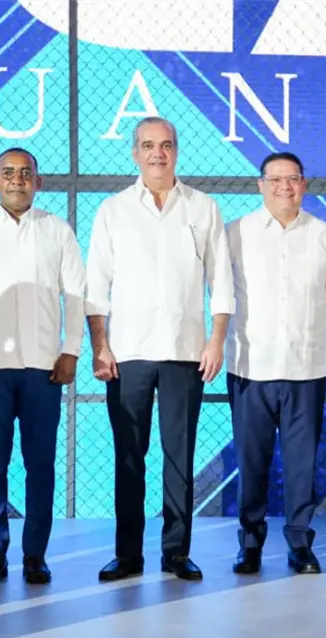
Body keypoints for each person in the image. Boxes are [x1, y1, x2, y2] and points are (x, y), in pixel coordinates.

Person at [85, 116, 234, 582]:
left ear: (176, 151)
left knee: (179, 457)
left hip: (186, 352)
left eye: (166, 145)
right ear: (135, 153)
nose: (157, 153)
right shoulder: (113, 210)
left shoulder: (203, 207)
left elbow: (221, 281)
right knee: (129, 457)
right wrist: (100, 346)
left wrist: (216, 339)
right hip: (126, 354)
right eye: (148, 145)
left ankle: (176, 553)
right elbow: (96, 286)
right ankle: (128, 555)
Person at [0, 147, 86, 586]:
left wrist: (71, 350)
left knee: (40, 464)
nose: (17, 179)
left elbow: (76, 295)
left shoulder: (57, 231)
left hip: (44, 367)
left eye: (26, 173)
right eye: (7, 172)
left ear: (38, 183)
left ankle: (35, 555)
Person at [226, 152, 326, 576]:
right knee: (251, 462)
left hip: (305, 368)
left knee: (301, 464)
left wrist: (302, 324)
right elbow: (221, 292)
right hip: (250, 366)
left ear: (304, 184)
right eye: (275, 179)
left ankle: (300, 544)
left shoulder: (323, 235)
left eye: (293, 178)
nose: (284, 186)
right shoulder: (236, 233)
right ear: (260, 185)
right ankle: (250, 544)